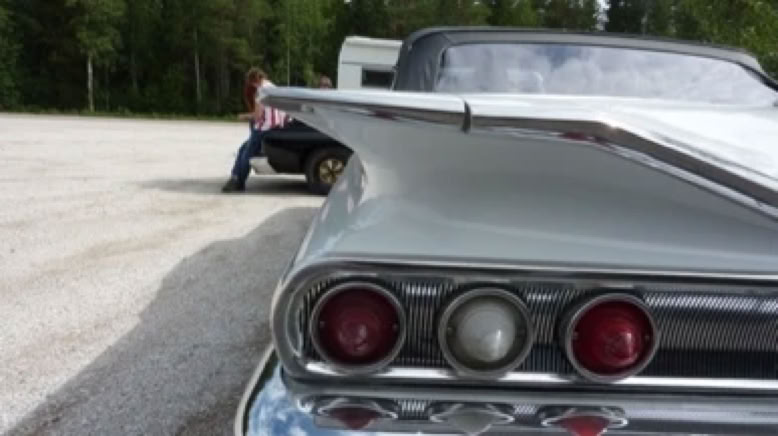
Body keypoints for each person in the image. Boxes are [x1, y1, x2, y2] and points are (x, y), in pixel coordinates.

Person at [222, 69, 287, 193]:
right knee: (243, 149)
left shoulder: (260, 92)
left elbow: (257, 116)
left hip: (264, 128)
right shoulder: (272, 87)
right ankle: (235, 177)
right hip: (276, 126)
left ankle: (238, 181)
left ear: (253, 81)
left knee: (246, 154)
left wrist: (243, 116)